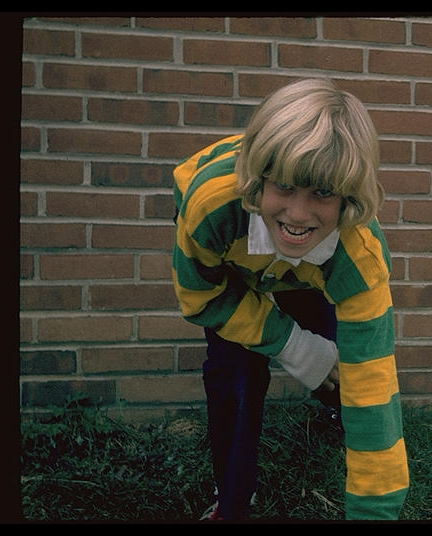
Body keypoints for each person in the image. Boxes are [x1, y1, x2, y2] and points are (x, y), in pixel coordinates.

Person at [171, 78, 409, 521]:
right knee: (236, 371)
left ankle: (338, 422)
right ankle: (232, 501)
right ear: (259, 180)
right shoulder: (211, 208)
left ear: (349, 198)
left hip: (309, 268)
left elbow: (375, 386)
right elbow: (201, 298)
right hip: (234, 256)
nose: (298, 214)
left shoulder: (359, 257)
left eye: (322, 192)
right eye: (283, 186)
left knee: (345, 367)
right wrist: (298, 349)